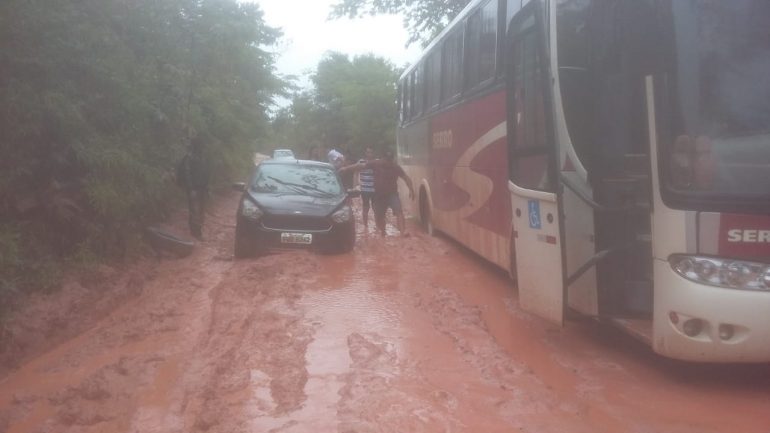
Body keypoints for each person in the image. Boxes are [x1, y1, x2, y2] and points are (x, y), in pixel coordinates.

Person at [364, 150, 414, 236]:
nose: (388, 162)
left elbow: (406, 178)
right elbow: (359, 166)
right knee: (380, 216)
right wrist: (346, 168)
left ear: (392, 159)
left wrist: (411, 189)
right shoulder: (375, 164)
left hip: (392, 194)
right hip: (379, 196)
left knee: (399, 211)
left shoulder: (395, 167)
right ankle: (383, 231)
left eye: (390, 160)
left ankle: (402, 232)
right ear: (382, 158)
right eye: (387, 159)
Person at [177, 135, 209, 240]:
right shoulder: (189, 157)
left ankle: (197, 231)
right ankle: (195, 233)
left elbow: (205, 173)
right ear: (197, 146)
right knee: (194, 211)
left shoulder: (202, 157)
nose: (203, 148)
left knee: (201, 211)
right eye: (201, 146)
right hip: (194, 188)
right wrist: (191, 189)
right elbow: (187, 174)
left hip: (202, 188)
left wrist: (206, 187)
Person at [357, 148, 376, 228]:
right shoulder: (361, 162)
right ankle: (365, 226)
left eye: (371, 152)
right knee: (365, 207)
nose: (369, 154)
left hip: (375, 189)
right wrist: (356, 185)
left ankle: (378, 225)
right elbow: (355, 172)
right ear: (365, 153)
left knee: (376, 208)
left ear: (373, 153)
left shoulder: (376, 162)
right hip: (364, 189)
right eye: (368, 152)